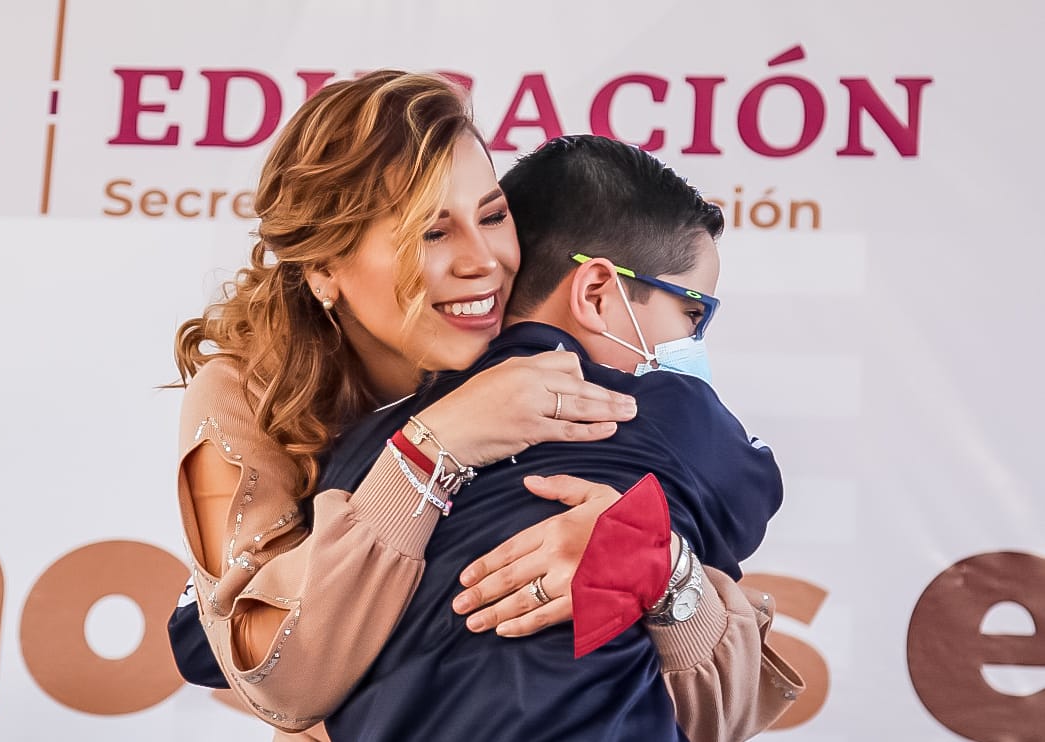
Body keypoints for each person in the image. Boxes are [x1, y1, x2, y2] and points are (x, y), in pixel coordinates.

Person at [170, 70, 800, 740]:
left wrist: (657, 566)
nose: (485, 263)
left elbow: (718, 715)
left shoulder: (588, 381)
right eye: (430, 232)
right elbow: (270, 668)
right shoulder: (251, 395)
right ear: (325, 267)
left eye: (493, 215)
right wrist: (430, 447)